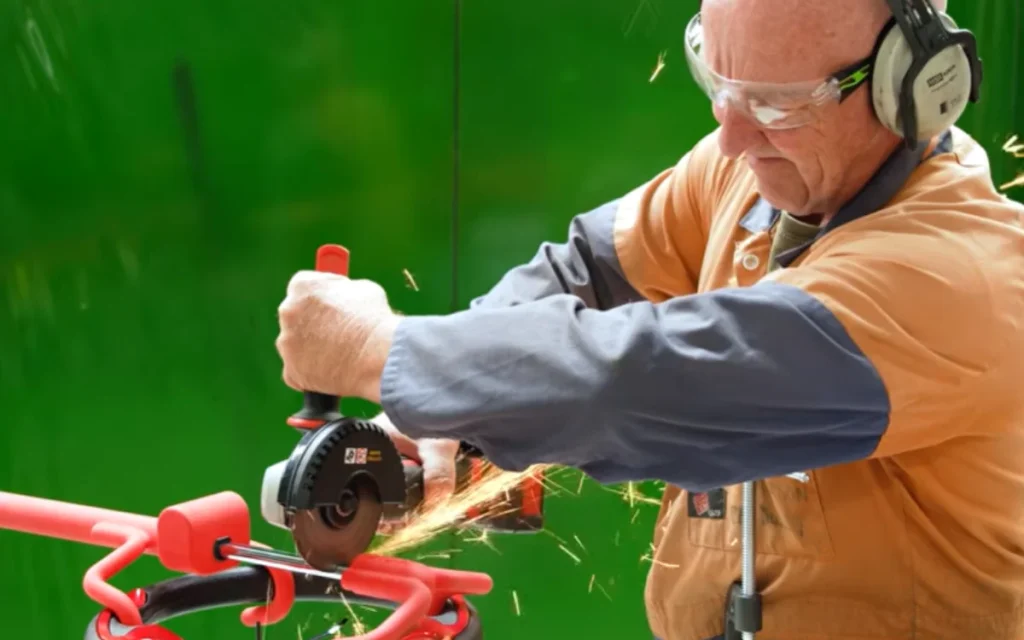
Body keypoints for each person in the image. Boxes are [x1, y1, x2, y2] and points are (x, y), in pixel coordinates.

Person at [275, 0, 1024, 637]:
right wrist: (451, 407)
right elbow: (589, 270)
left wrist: (384, 349)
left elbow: (642, 387)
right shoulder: (754, 170)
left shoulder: (958, 276)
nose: (732, 139)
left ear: (914, 87)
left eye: (777, 105)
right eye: (716, 81)